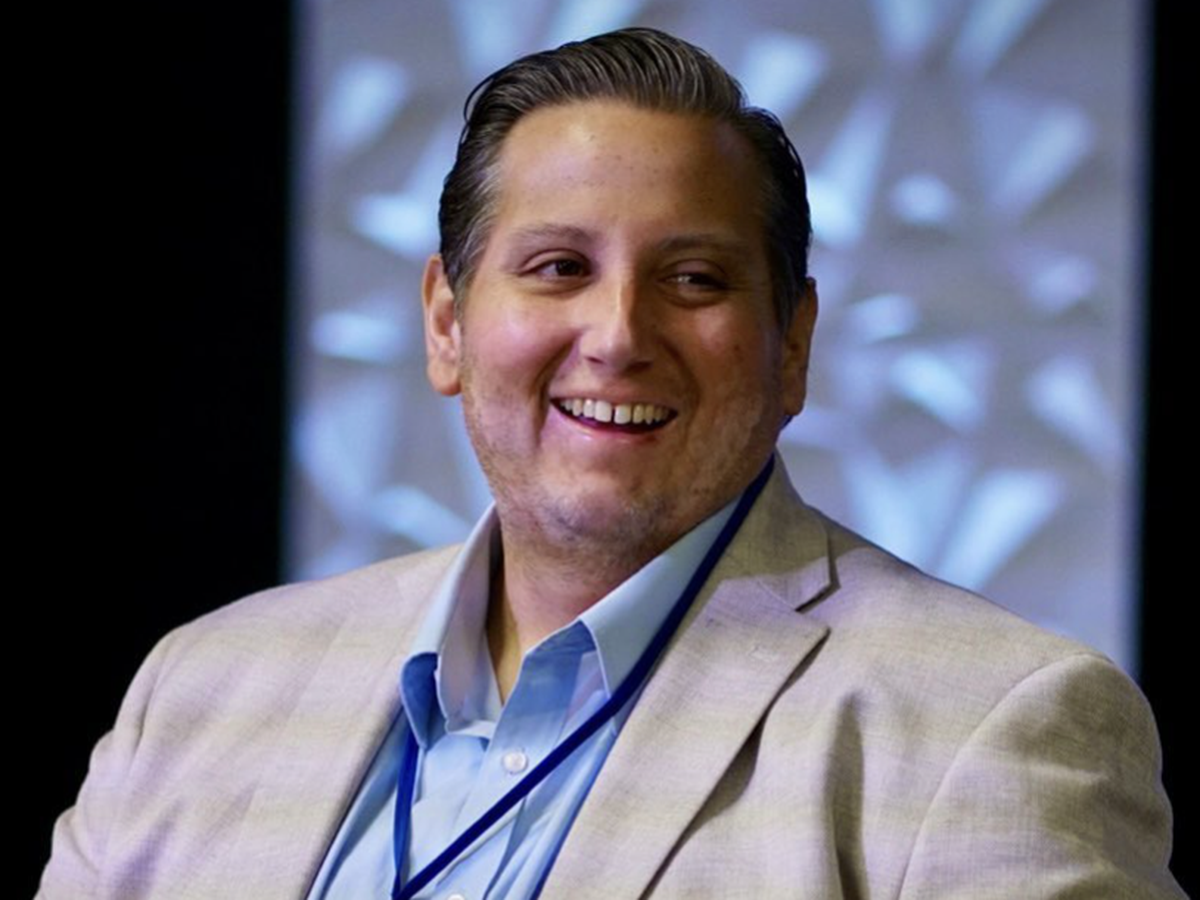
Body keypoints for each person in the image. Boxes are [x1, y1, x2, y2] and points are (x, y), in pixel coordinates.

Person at [40, 27, 1183, 900]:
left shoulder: (989, 723)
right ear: (446, 323)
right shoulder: (201, 691)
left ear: (792, 346)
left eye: (695, 279)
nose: (619, 333)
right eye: (557, 267)